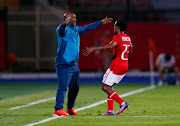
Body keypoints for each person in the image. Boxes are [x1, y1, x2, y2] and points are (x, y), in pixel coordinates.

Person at [53, 12, 113, 116]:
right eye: (73, 18)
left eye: (75, 18)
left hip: (74, 64)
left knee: (75, 87)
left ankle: (70, 109)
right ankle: (58, 109)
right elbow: (61, 30)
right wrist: (64, 24)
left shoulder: (75, 30)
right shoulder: (62, 29)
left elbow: (87, 28)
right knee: (63, 87)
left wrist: (100, 22)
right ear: (67, 19)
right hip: (64, 62)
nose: (75, 20)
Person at [83, 20, 133, 115]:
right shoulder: (127, 37)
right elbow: (131, 47)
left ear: (118, 27)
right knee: (110, 87)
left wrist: (94, 48)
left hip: (117, 65)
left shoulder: (117, 36)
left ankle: (122, 103)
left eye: (114, 26)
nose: (113, 28)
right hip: (125, 65)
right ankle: (110, 110)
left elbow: (111, 46)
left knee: (104, 87)